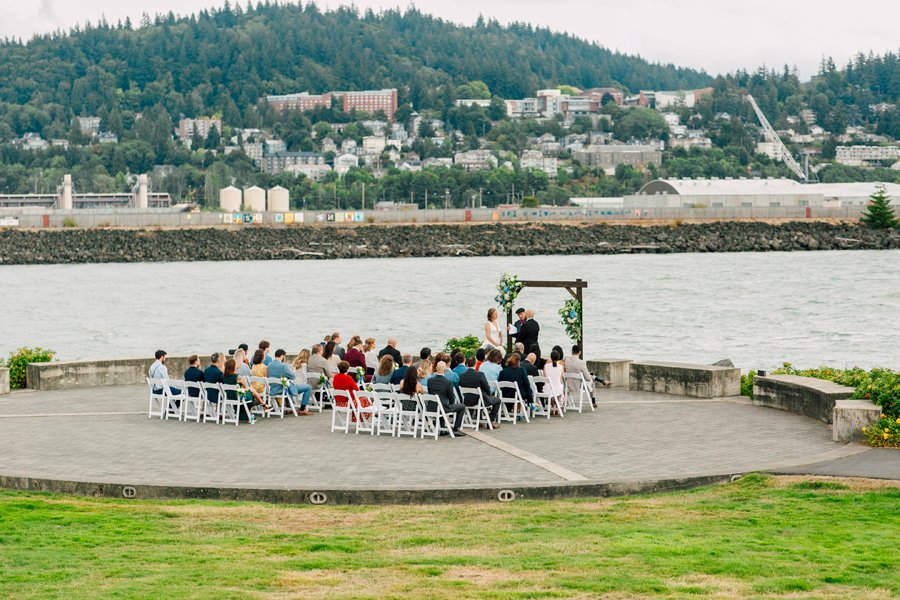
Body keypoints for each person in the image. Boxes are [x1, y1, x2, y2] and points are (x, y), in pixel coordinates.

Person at [267, 349, 313, 415]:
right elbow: (293, 377)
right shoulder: (283, 366)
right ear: (282, 356)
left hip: (273, 389)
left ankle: (288, 407)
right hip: (282, 389)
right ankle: (302, 409)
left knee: (287, 385)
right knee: (308, 387)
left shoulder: (269, 365)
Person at [459, 356, 501, 427]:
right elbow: (487, 387)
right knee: (498, 400)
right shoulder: (479, 374)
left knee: (482, 396)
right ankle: (490, 421)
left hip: (466, 400)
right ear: (475, 364)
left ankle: (480, 421)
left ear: (467, 365)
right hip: (479, 400)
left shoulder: (462, 375)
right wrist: (489, 395)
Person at [427, 361, 466, 435]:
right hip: (443, 408)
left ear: (436, 368)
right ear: (445, 369)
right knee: (462, 407)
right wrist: (451, 404)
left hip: (431, 407)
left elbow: (430, 393)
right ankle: (455, 429)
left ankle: (443, 428)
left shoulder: (430, 381)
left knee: (441, 403)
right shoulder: (448, 382)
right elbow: (451, 397)